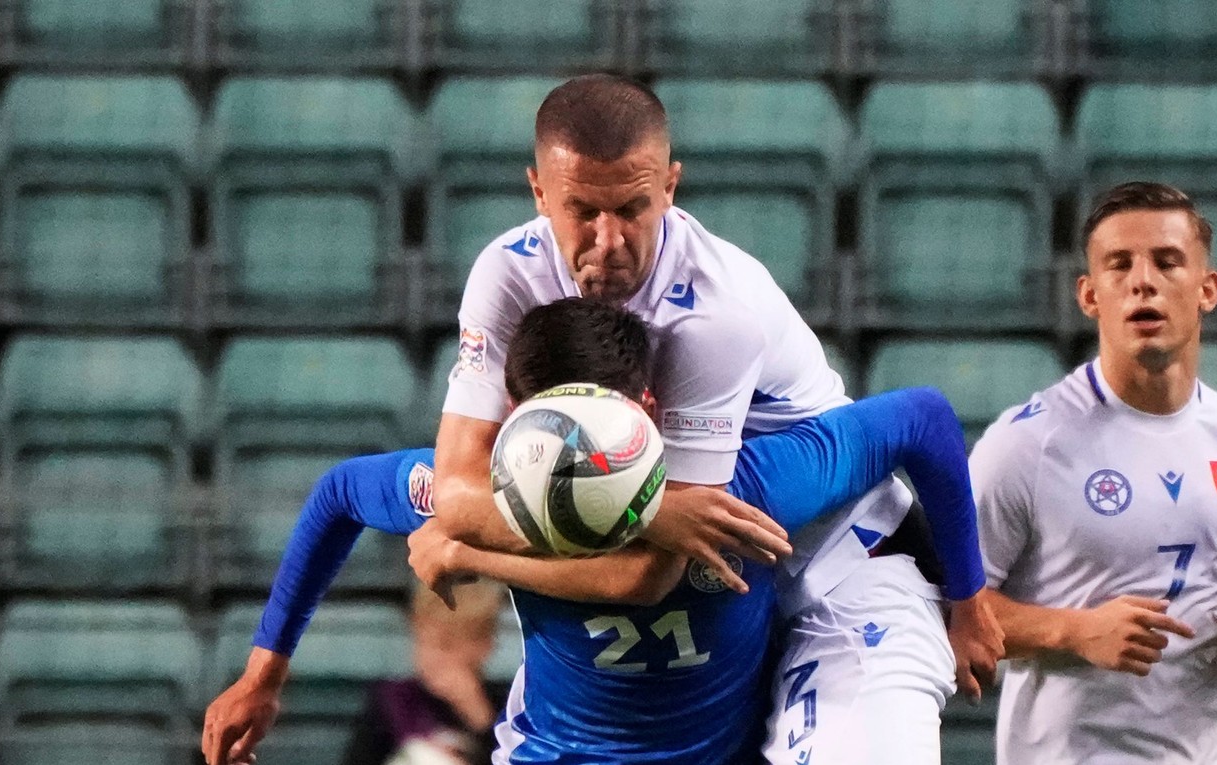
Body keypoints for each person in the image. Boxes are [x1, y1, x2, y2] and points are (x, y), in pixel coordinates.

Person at [413, 72, 1001, 765]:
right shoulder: (507, 275)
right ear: (539, 191)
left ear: (671, 185)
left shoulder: (713, 314)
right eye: (582, 211)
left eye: (633, 207)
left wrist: (969, 597)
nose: (608, 242)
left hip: (838, 554)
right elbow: (453, 492)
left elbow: (648, 571)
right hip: (727, 570)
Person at [203, 298, 983, 765]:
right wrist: (261, 673)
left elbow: (923, 419)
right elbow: (338, 492)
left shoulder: (743, 487)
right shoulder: (482, 493)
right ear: (511, 421)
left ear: (649, 406)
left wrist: (968, 596)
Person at [970, 182, 1217, 764]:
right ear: (1090, 295)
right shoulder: (1026, 445)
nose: (1143, 280)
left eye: (1167, 261)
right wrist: (1074, 631)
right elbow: (955, 609)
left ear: (1208, 289)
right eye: (1119, 264)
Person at [341, 581, 511, 765]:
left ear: (484, 646)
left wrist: (481, 719)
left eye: (446, 645)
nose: (432, 656)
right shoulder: (392, 702)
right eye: (423, 641)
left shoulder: (507, 708)